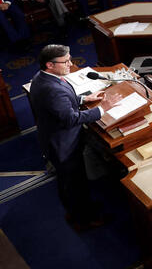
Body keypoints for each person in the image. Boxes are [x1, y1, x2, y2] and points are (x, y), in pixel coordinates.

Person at [29, 45, 114, 231]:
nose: (71, 64)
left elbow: (60, 103)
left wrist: (84, 99)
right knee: (74, 183)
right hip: (62, 144)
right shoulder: (51, 88)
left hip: (55, 139)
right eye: (66, 61)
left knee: (70, 181)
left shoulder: (42, 77)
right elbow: (70, 119)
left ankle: (77, 210)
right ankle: (83, 220)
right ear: (50, 65)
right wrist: (101, 110)